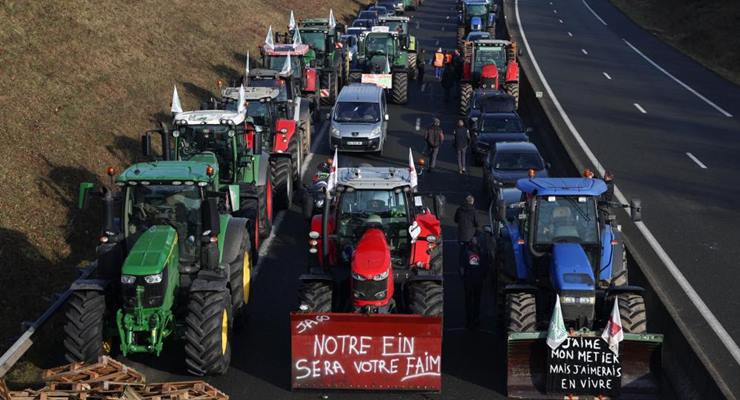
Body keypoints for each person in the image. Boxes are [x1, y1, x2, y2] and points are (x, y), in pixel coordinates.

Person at [459, 236, 487, 329]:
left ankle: (469, 320)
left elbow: (462, 267)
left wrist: (463, 277)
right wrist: (484, 276)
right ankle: (476, 319)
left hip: (469, 280)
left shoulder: (466, 253)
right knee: (476, 301)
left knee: (469, 301)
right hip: (477, 280)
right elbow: (485, 266)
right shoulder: (481, 253)